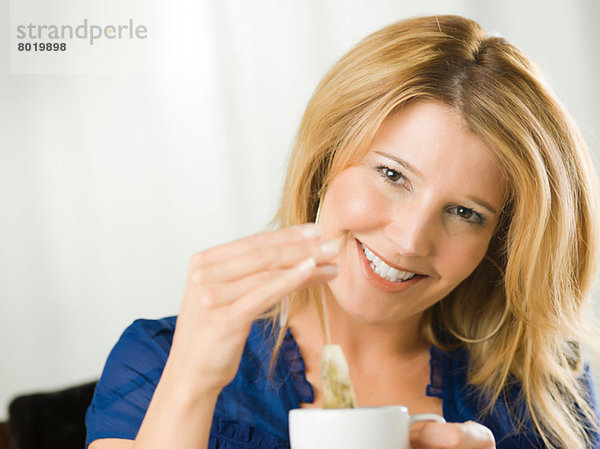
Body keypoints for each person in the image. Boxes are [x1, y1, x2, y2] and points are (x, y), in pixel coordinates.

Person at [85, 14, 600, 449]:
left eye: (466, 213)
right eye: (393, 175)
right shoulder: (156, 362)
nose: (409, 240)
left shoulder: (544, 388)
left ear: (502, 242)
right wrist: (192, 383)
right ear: (326, 157)